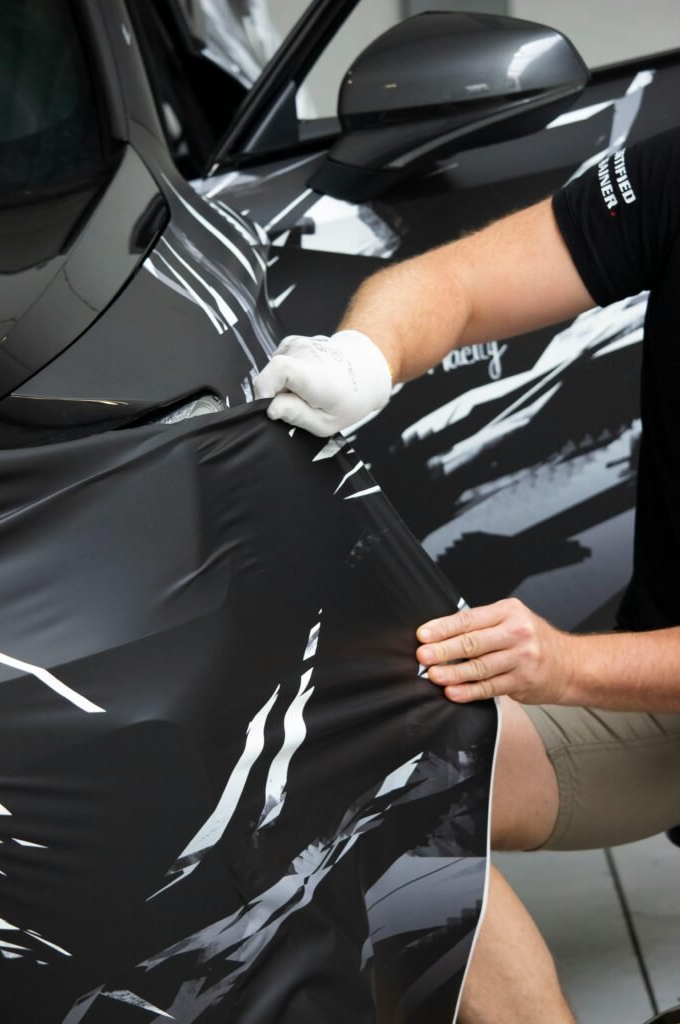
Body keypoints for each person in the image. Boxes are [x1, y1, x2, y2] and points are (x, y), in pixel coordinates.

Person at [254, 125, 680, 1023]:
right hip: (657, 707)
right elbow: (458, 282)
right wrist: (363, 356)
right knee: (355, 788)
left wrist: (564, 666)